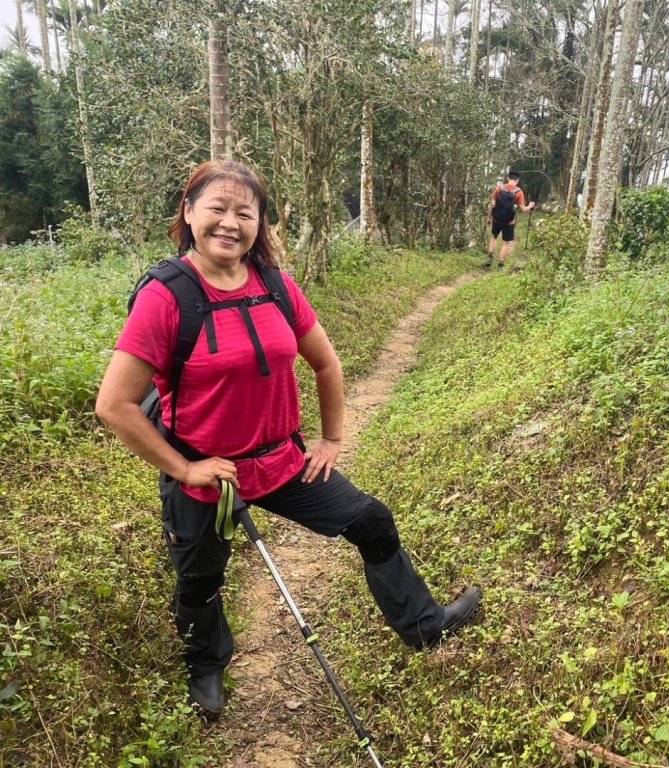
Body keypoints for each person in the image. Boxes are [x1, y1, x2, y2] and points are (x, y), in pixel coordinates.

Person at [95, 159, 481, 721]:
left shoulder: (274, 284)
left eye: (244, 212)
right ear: (188, 212)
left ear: (260, 224)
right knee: (200, 579)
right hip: (210, 473)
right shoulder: (166, 295)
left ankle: (424, 625)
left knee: (372, 522)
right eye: (217, 209)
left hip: (282, 460)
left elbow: (326, 363)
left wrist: (330, 440)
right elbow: (114, 405)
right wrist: (185, 470)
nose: (230, 223)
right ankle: (206, 666)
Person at [485, 170, 536, 269]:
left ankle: (490, 258)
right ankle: (500, 265)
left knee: (494, 237)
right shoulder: (519, 192)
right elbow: (523, 209)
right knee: (506, 243)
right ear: (517, 180)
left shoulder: (499, 188)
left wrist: (489, 217)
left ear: (508, 178)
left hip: (496, 219)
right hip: (509, 221)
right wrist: (530, 206)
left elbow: (492, 203)